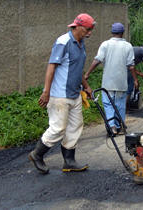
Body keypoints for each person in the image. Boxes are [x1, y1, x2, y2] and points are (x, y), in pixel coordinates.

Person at [28, 13, 96, 174]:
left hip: (75, 94)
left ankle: (69, 161)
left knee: (75, 127)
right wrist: (46, 91)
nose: (90, 33)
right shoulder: (63, 42)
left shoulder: (81, 43)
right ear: (77, 26)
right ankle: (37, 154)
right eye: (88, 29)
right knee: (58, 128)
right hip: (59, 95)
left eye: (91, 29)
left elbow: (77, 68)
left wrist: (86, 86)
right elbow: (51, 67)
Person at [84, 22, 138, 135]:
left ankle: (112, 126)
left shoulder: (105, 44)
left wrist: (87, 73)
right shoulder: (128, 46)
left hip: (108, 82)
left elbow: (97, 60)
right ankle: (121, 127)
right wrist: (135, 80)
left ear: (112, 33)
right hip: (121, 82)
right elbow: (131, 66)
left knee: (108, 104)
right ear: (122, 33)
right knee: (120, 104)